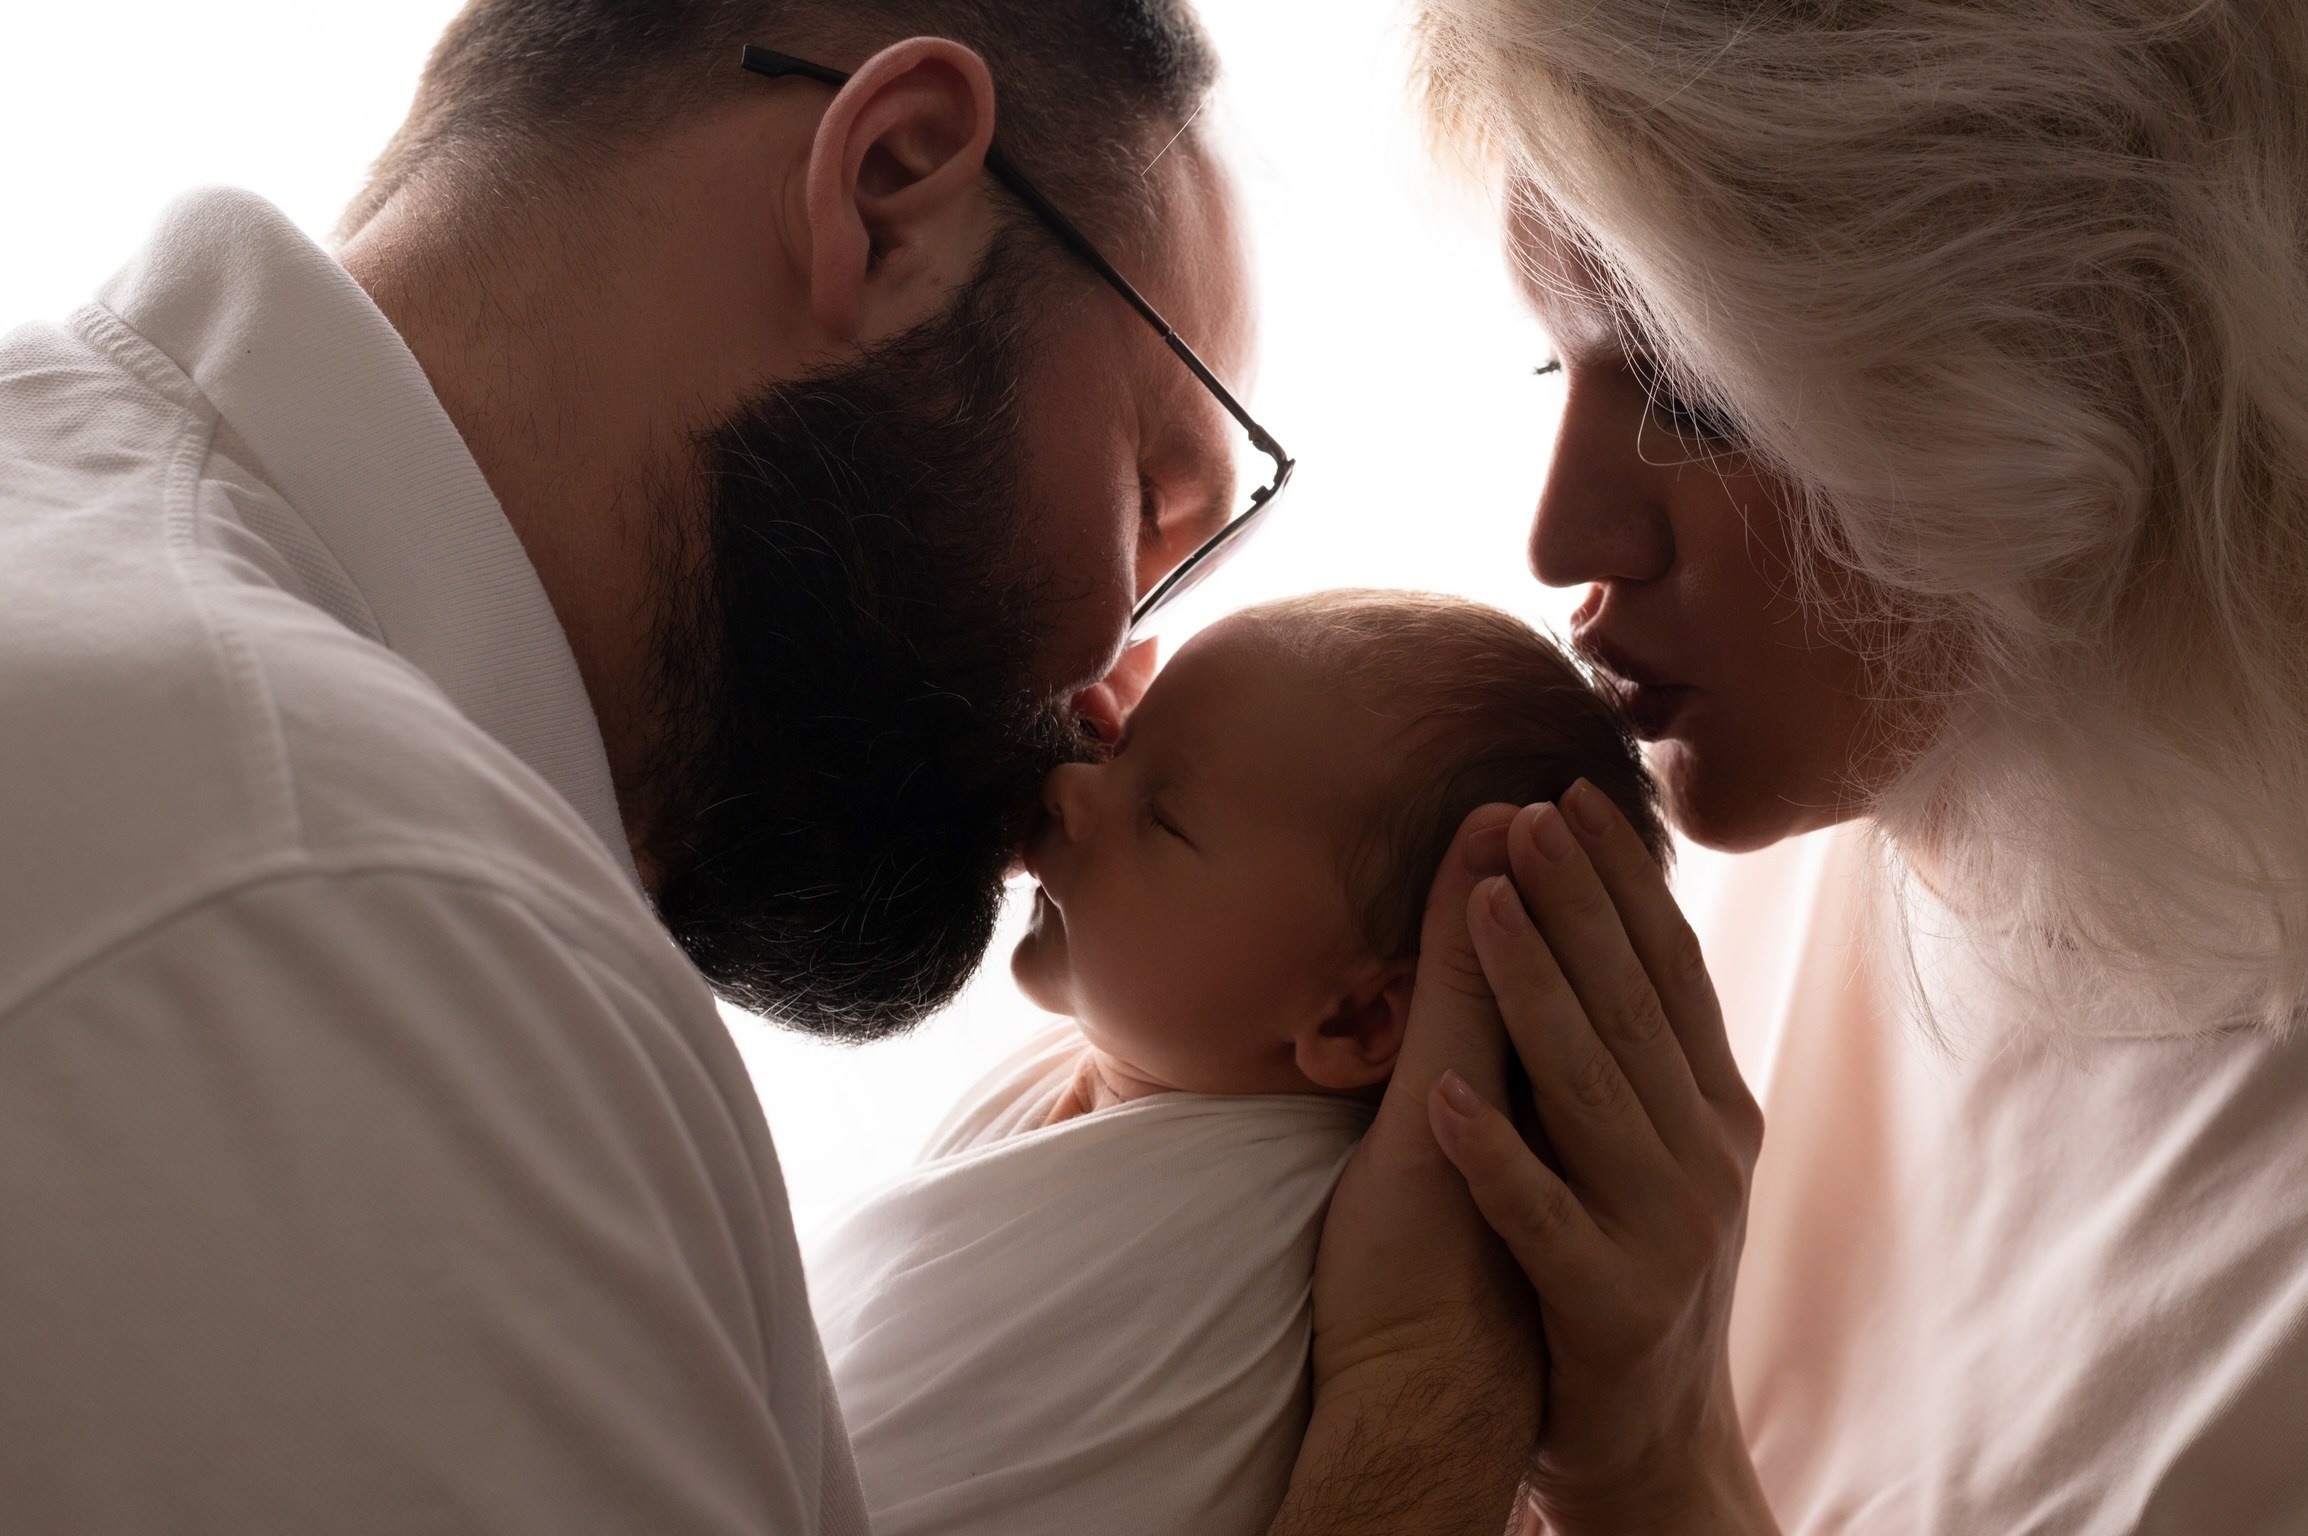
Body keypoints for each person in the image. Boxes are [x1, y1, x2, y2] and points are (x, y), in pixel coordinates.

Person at [0, 3, 1543, 1530]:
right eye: (1148, 495)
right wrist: (1433, 1407)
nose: (1108, 688)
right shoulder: (365, 929)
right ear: (887, 195)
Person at [1392, 0, 2308, 1531]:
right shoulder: (1792, 830)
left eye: (1691, 389)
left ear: (2059, 358)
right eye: (1559, 374)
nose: (1561, 539)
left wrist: (1652, 1468)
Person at [807, 590, 1666, 1536]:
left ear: (1358, 1020)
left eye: (1163, 820)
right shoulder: (1100, 1063)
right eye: (1119, 749)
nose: (1071, 784)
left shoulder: (1275, 1247)